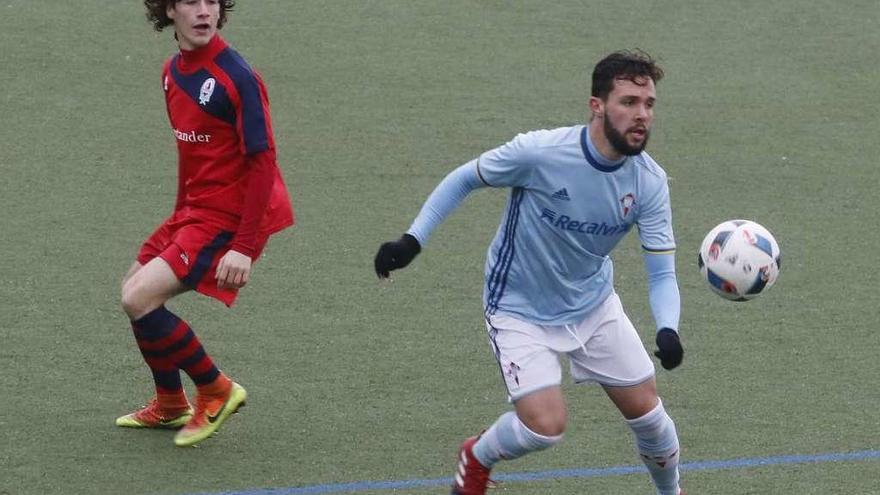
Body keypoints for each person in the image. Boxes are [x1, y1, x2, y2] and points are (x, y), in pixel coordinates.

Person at [374, 50, 685, 495]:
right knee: (545, 427)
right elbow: (465, 178)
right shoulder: (540, 153)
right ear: (597, 105)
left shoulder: (648, 182)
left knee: (653, 421)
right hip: (519, 308)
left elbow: (661, 274)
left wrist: (668, 329)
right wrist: (412, 240)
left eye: (649, 104)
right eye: (629, 102)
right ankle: (477, 455)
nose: (642, 115)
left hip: (593, 305)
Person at [116, 0, 294, 447]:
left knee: (140, 299)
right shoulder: (171, 73)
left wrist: (244, 246)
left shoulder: (237, 77)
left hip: (230, 216)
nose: (203, 11)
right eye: (191, 2)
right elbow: (192, 157)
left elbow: (263, 162)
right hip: (195, 208)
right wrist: (177, 217)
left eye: (211, 1)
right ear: (169, 11)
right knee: (133, 285)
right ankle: (171, 404)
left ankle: (216, 389)